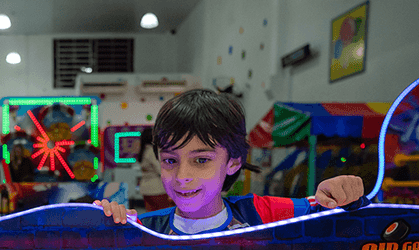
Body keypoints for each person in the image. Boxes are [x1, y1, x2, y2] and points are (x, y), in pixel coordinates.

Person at [94, 89, 369, 234]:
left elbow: (335, 213)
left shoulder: (262, 214)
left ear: (234, 162)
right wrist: (99, 224)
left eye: (201, 160)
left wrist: (345, 196)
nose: (181, 175)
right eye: (169, 160)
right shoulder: (145, 229)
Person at [137, 127, 173, 212]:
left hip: (145, 189)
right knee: (164, 213)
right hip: (156, 189)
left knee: (151, 214)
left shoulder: (144, 150)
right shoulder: (152, 151)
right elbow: (160, 169)